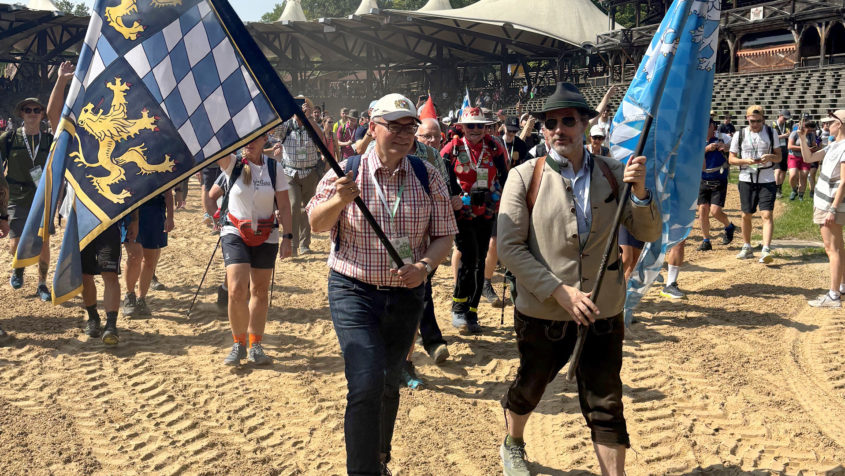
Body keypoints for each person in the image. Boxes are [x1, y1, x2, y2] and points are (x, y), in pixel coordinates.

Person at [497, 82, 660, 476]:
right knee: (532, 384)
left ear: (586, 124)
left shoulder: (616, 173)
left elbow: (650, 232)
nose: (558, 129)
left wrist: (639, 194)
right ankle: (513, 441)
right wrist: (560, 291)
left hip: (603, 307)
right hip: (543, 309)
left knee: (606, 397)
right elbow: (509, 248)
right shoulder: (523, 177)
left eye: (567, 121)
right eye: (550, 122)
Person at [306, 93, 457, 475]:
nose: (405, 134)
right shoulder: (345, 171)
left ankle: (380, 457)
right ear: (372, 129)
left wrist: (424, 265)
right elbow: (315, 224)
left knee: (390, 380)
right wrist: (338, 201)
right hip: (353, 289)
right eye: (395, 126)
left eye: (410, 126)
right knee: (365, 380)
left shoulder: (428, 175)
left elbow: (444, 236)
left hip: (407, 295)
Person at [218, 133, 293, 366]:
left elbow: (284, 204)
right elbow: (217, 147)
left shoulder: (274, 168)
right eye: (246, 139)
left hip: (266, 233)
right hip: (235, 231)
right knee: (236, 289)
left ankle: (256, 345)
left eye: (255, 139)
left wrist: (288, 237)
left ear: (265, 142)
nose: (250, 143)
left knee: (260, 291)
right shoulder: (234, 164)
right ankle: (238, 344)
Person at [441, 106, 507, 333]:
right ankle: (458, 308)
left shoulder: (495, 146)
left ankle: (472, 312)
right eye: (471, 126)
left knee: (480, 262)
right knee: (469, 257)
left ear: (486, 127)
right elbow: (441, 177)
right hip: (463, 212)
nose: (476, 130)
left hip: (487, 209)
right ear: (462, 127)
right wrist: (453, 197)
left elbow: (505, 175)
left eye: (480, 125)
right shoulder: (452, 148)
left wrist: (503, 198)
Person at [3, 97, 53, 301]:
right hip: (15, 196)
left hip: (42, 198)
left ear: (42, 114)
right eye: (28, 109)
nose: (32, 113)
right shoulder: (8, 138)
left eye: (37, 110)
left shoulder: (49, 140)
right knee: (15, 242)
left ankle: (42, 284)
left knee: (44, 244)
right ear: (21, 114)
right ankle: (19, 268)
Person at [799, 110, 845, 307]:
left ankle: (833, 295)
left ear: (840, 125)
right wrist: (802, 138)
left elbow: (844, 181)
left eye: (830, 122)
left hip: (830, 204)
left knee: (831, 249)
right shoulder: (834, 144)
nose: (826, 126)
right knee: (838, 248)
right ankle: (841, 286)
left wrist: (833, 209)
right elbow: (809, 158)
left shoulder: (843, 147)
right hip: (827, 203)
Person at [271, 96, 325, 256]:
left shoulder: (312, 125)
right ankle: (293, 244)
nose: (301, 107)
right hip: (290, 173)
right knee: (294, 207)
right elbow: (272, 131)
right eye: (298, 105)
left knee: (308, 209)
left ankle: (304, 244)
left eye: (304, 105)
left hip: (310, 172)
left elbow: (320, 138)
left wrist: (308, 118)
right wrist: (283, 111)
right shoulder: (286, 126)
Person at [729, 105, 781, 264]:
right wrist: (745, 161)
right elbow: (731, 159)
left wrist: (770, 157)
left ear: (763, 119)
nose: (755, 124)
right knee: (746, 215)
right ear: (747, 119)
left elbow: (779, 158)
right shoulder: (740, 134)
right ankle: (747, 246)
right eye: (752, 121)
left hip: (766, 178)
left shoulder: (771, 133)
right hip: (746, 178)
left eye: (758, 121)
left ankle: (766, 249)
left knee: (766, 214)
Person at [122, 190, 175, 318]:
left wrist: (170, 216)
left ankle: (141, 299)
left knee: (149, 260)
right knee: (134, 256)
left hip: (155, 211)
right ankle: (129, 296)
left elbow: (167, 190)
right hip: (131, 207)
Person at [698, 118, 736, 250]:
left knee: (715, 211)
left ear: (712, 127)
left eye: (706, 126)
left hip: (718, 178)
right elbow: (691, 155)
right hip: (702, 178)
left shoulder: (723, 137)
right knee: (702, 210)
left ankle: (729, 226)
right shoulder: (696, 139)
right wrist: (706, 149)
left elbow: (736, 149)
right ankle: (706, 240)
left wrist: (727, 148)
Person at [787, 118, 818, 200]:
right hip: (793, 157)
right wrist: (804, 148)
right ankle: (794, 190)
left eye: (811, 130)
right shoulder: (794, 133)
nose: (810, 132)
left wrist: (813, 148)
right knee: (793, 175)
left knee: (804, 175)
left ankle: (801, 195)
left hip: (805, 158)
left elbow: (814, 146)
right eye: (809, 130)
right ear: (804, 127)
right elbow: (790, 146)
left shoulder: (811, 135)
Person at [772, 110, 792, 198]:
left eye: (787, 119)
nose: (785, 120)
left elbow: (790, 135)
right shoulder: (772, 125)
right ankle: (775, 189)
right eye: (784, 118)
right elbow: (772, 137)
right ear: (780, 116)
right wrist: (784, 136)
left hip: (785, 150)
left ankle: (779, 188)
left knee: (783, 171)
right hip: (776, 150)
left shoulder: (787, 125)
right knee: (777, 170)